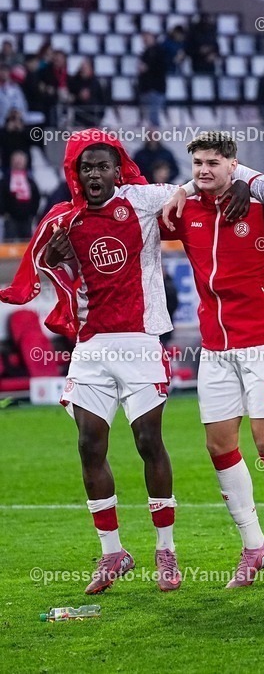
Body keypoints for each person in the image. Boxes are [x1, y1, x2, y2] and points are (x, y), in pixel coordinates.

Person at [3, 130, 198, 594]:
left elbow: (191, 189)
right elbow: (43, 267)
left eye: (102, 166)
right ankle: (113, 553)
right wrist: (52, 262)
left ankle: (165, 549)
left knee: (149, 441)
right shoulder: (63, 219)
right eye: (85, 167)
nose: (93, 174)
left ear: (118, 168)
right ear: (76, 173)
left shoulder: (144, 199)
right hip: (91, 347)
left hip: (139, 340)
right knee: (90, 445)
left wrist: (202, 190)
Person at [161, 131, 264, 588]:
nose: (204, 170)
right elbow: (135, 201)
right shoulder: (184, 209)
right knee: (219, 445)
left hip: (263, 342)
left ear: (233, 164)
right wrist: (180, 189)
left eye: (213, 163)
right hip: (215, 348)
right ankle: (254, 546)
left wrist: (248, 180)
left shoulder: (261, 202)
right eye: (197, 164)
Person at [0, 150, 40, 240]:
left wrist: (33, 213)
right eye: (16, 159)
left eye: (21, 159)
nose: (18, 162)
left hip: (27, 219)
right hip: (11, 218)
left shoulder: (30, 180)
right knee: (9, 244)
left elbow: (36, 197)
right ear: (11, 161)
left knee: (27, 244)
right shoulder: (5, 180)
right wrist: (3, 212)